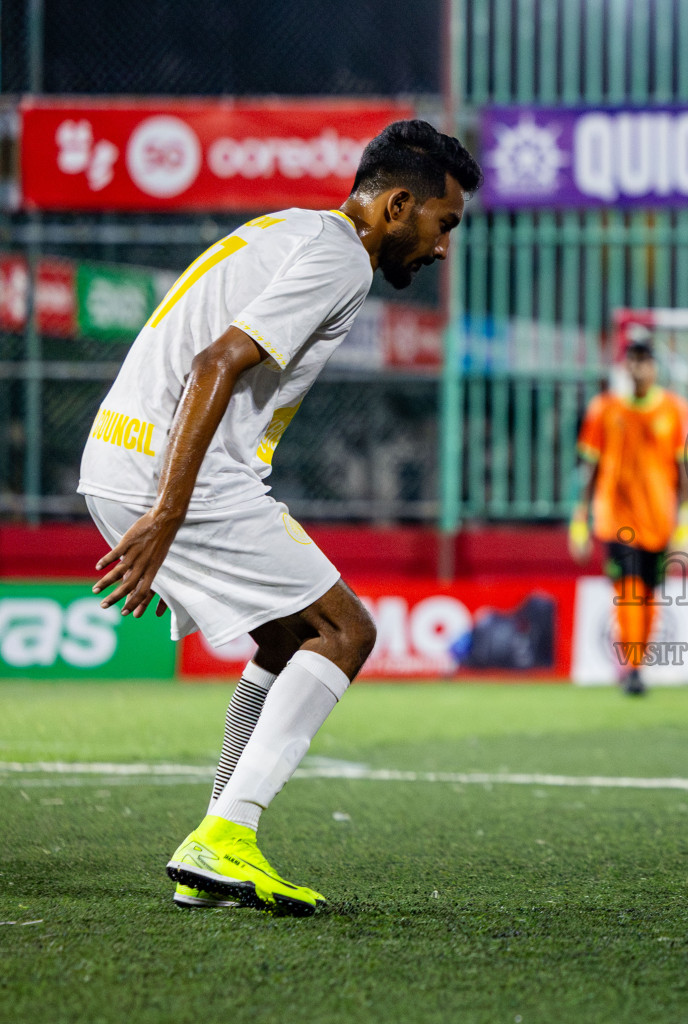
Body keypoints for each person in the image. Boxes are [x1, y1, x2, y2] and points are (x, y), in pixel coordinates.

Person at [78, 120, 481, 916]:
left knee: (287, 636)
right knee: (346, 631)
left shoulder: (290, 228)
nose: (442, 248)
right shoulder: (341, 257)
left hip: (118, 453)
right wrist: (168, 510)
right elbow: (216, 362)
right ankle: (226, 834)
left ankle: (212, 854)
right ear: (399, 204)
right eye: (445, 224)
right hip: (171, 470)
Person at [569, 338, 688, 696]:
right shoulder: (604, 409)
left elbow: (686, 468)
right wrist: (580, 517)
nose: (638, 368)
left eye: (644, 361)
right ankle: (631, 667)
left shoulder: (675, 409)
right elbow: (590, 468)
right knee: (627, 590)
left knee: (649, 596)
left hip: (659, 520)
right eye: (632, 361)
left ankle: (637, 664)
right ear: (624, 366)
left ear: (654, 367)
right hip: (615, 517)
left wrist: (687, 520)